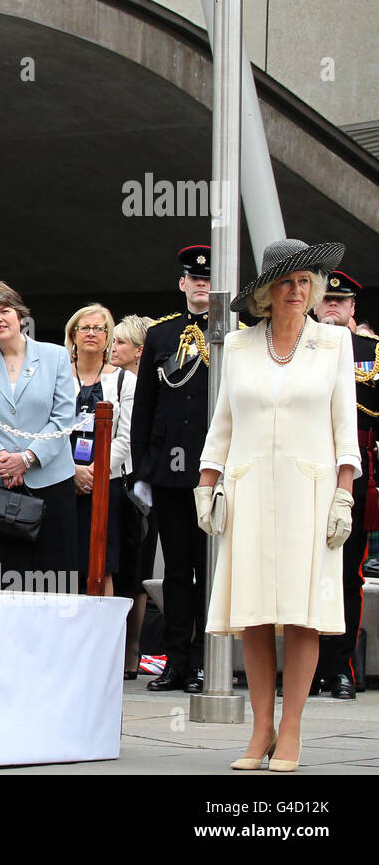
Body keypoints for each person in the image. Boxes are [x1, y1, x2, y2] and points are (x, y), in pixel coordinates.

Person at [199, 239, 355, 772]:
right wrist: (207, 483)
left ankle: (291, 730)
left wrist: (344, 494)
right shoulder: (239, 346)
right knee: (256, 614)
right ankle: (261, 727)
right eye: (286, 282)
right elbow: (222, 423)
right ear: (267, 291)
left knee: (302, 613)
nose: (297, 290)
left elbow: (345, 430)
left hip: (309, 492)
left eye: (305, 281)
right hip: (248, 488)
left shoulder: (334, 343)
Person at [0, 280, 77, 589]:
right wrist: (1, 459)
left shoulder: (56, 357)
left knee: (49, 580)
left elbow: (64, 417)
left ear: (20, 316)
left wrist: (26, 459)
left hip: (48, 481)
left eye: (5, 311)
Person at [131, 245, 211, 693]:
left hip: (212, 470)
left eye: (208, 279)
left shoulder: (234, 332)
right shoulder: (162, 336)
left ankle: (203, 660)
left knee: (209, 569)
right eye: (193, 278)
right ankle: (177, 660)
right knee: (177, 569)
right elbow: (145, 407)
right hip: (168, 470)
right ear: (182, 283)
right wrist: (143, 469)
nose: (200, 284)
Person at [312, 269, 376, 699]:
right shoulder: (298, 345)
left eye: (342, 301)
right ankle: (308, 669)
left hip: (354, 471)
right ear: (316, 306)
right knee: (306, 572)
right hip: (306, 467)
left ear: (353, 308)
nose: (333, 306)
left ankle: (341, 669)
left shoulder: (371, 351)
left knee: (349, 576)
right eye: (327, 300)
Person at [64, 304, 135, 595]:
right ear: (73, 334)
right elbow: (46, 429)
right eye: (85, 327)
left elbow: (127, 436)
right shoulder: (57, 376)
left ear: (107, 336)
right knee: (63, 565)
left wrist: (95, 472)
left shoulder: (124, 380)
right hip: (63, 480)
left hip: (107, 484)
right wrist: (72, 471)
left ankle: (101, 638)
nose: (91, 333)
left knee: (102, 564)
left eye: (99, 328)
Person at [109, 313, 154, 678]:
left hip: (138, 482)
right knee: (115, 564)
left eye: (121, 342)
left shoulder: (149, 383)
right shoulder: (109, 381)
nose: (114, 347)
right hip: (112, 479)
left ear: (140, 351)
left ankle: (132, 649)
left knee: (134, 569)